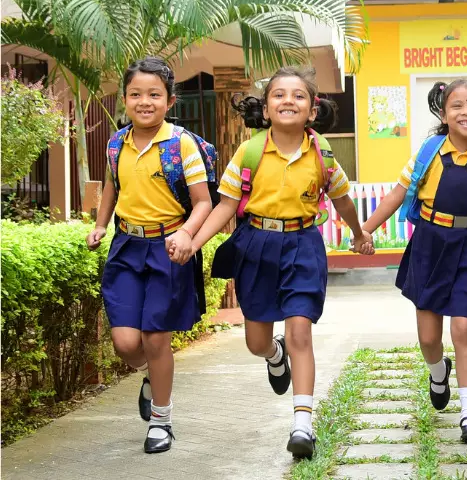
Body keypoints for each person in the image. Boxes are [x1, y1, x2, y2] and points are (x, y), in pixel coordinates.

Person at [186, 67, 373, 459]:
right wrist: (193, 241)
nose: (289, 100)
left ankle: (302, 425)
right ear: (266, 108)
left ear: (312, 110)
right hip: (257, 245)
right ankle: (274, 353)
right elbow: (226, 206)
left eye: (298, 95)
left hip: (304, 245)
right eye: (279, 95)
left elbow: (341, 200)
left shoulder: (321, 153)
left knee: (300, 331)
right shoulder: (250, 151)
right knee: (256, 342)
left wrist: (358, 233)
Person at [361, 79, 467, 443]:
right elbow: (396, 194)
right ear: (444, 114)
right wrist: (365, 229)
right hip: (429, 244)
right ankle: (437, 370)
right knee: (429, 337)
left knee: (463, 328)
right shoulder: (428, 153)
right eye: (457, 106)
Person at [86, 56, 213, 453]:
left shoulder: (181, 144)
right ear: (124, 99)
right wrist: (101, 225)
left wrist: (186, 234)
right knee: (126, 344)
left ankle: (161, 421)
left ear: (170, 101)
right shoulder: (116, 144)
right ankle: (150, 375)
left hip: (167, 249)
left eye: (154, 94)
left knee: (156, 338)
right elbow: (113, 186)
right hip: (126, 247)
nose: (145, 102)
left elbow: (203, 202)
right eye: (135, 94)